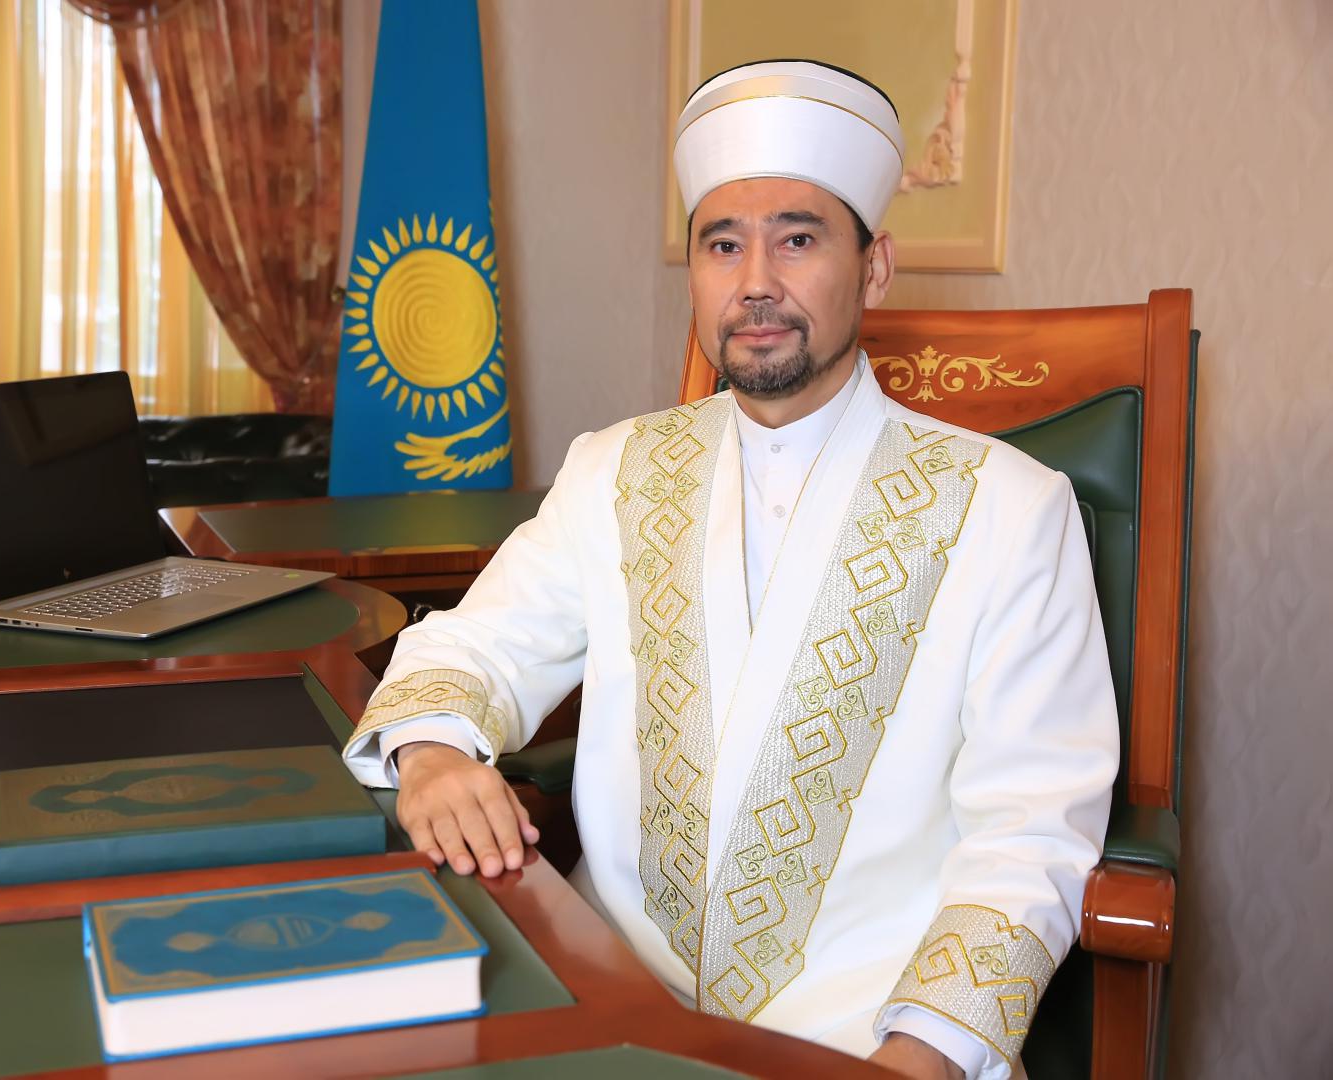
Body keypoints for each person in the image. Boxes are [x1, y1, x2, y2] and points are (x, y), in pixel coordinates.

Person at [341, 59, 1118, 1080]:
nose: (755, 282)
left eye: (797, 239)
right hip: (611, 1015)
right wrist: (434, 755)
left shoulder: (1012, 509)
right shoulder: (613, 468)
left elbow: (1033, 831)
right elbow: (475, 649)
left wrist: (922, 1054)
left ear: (874, 268)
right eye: (722, 244)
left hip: (873, 1043)